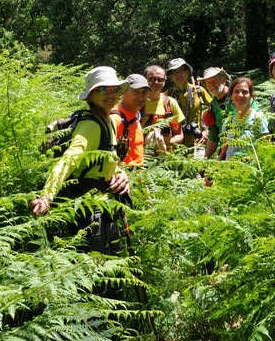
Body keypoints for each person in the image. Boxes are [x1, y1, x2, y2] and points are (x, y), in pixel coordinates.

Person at [30, 66, 131, 254]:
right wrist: (46, 196)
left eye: (115, 89)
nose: (111, 94)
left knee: (110, 270)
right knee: (94, 273)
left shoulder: (109, 121)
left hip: (104, 206)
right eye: (103, 89)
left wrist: (121, 174)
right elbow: (68, 160)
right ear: (91, 96)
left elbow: (107, 160)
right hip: (89, 211)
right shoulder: (91, 126)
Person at [165, 58, 211, 149]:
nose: (178, 74)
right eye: (174, 72)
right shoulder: (167, 96)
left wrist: (207, 131)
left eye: (181, 70)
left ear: (187, 72)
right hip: (174, 146)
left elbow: (215, 112)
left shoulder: (198, 91)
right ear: (171, 76)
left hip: (198, 143)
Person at [219, 77, 269, 160]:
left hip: (252, 170)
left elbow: (266, 149)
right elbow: (223, 152)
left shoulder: (258, 119)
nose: (240, 95)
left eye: (245, 92)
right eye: (236, 92)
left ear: (251, 96)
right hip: (230, 170)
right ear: (231, 96)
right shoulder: (228, 122)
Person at [142, 64, 185, 153]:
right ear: (145, 80)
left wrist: (165, 142)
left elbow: (179, 135)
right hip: (142, 156)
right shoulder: (138, 102)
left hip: (165, 156)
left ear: (164, 82)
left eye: (160, 80)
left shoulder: (170, 103)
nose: (156, 82)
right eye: (152, 79)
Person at [112, 74, 149, 167]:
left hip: (139, 177)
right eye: (136, 92)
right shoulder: (116, 118)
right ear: (124, 92)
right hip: (125, 176)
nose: (141, 97)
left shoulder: (136, 117)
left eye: (144, 92)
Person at [200, 67, 232, 159]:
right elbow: (213, 136)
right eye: (208, 82)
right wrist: (205, 160)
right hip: (224, 154)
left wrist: (221, 156)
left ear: (224, 80)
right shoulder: (212, 105)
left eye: (214, 81)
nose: (212, 85)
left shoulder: (239, 97)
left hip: (244, 150)